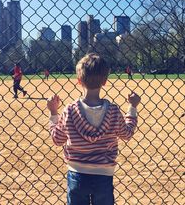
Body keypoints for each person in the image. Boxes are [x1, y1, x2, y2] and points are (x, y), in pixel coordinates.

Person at [47, 53, 141, 205]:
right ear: (104, 81)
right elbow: (127, 133)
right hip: (104, 174)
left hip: (77, 174)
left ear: (79, 81)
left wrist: (53, 113)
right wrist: (132, 108)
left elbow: (57, 139)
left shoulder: (70, 110)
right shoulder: (113, 111)